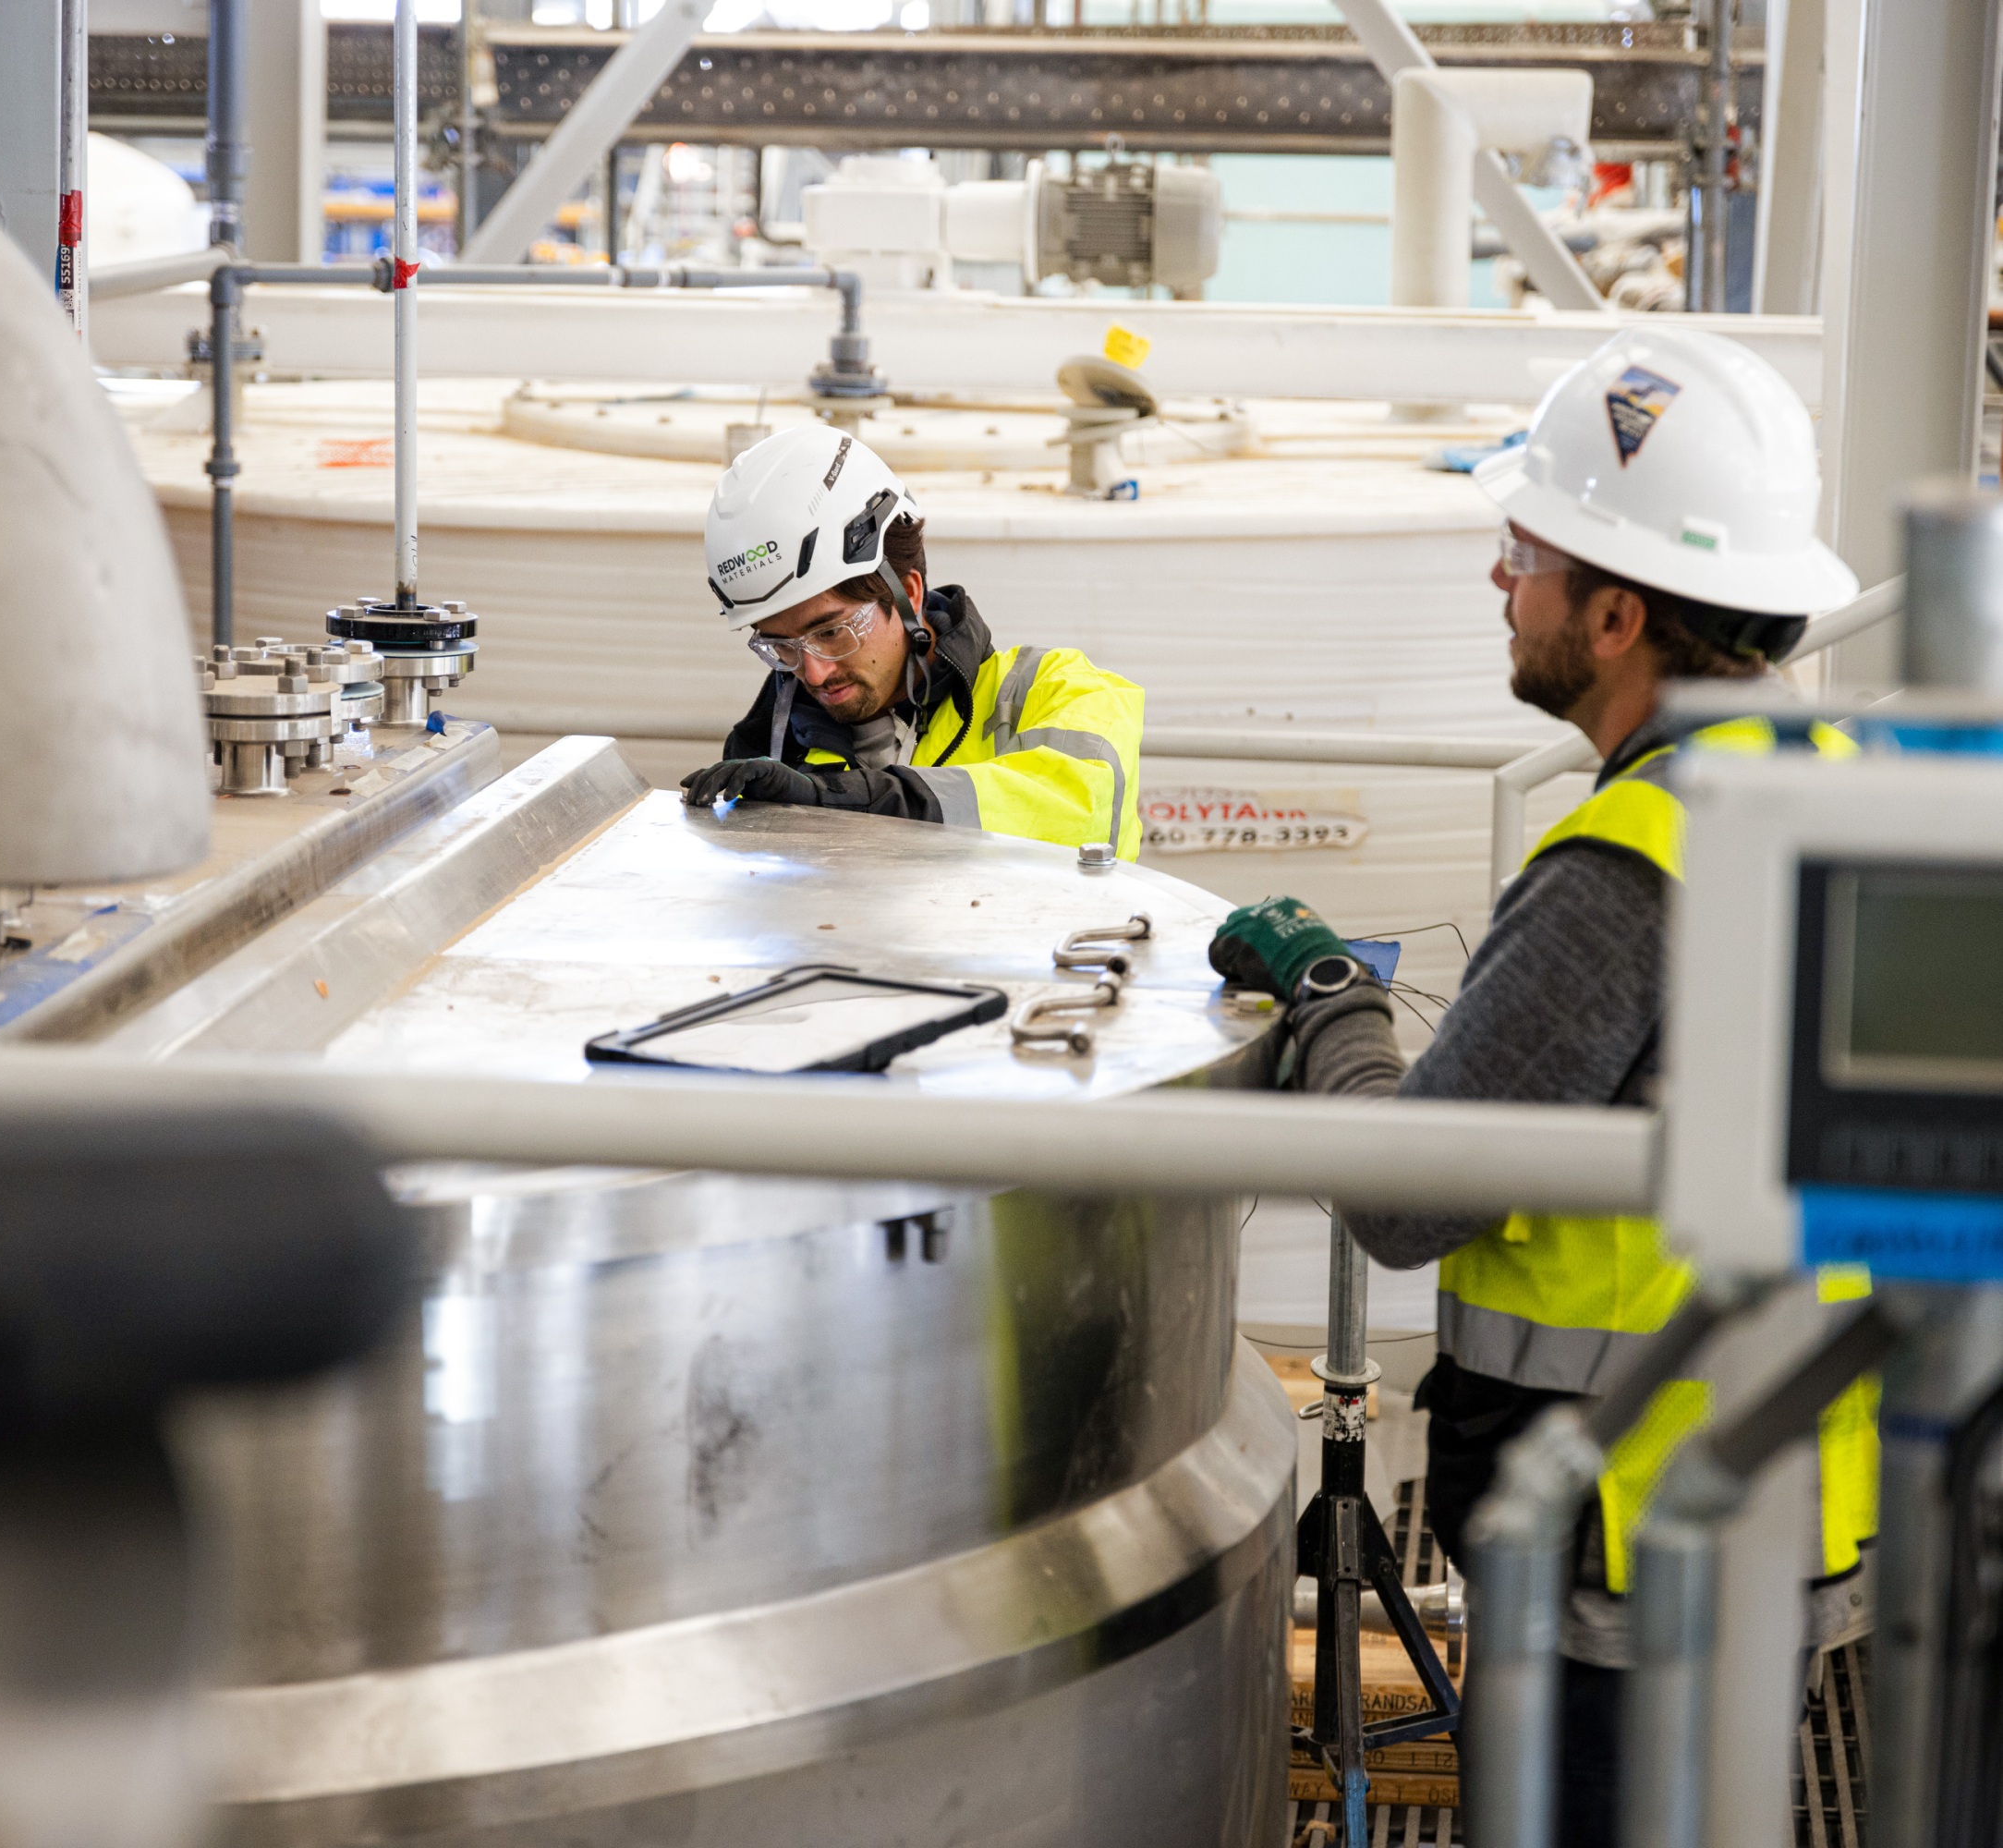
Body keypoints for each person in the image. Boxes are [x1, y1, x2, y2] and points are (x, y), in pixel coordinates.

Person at [1207, 327, 1880, 1848]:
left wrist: (1334, 1004)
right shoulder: (1832, 768)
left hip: (1614, 1530)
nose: (1497, 585)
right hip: (1770, 1492)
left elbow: (1407, 1197)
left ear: (1619, 612)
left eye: (1525, 556)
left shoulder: (1628, 870)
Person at [680, 426, 1144, 857]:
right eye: (782, 647)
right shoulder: (777, 744)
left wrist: (839, 803)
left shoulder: (1053, 691)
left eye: (831, 632)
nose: (813, 673)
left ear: (910, 594)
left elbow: (1083, 813)